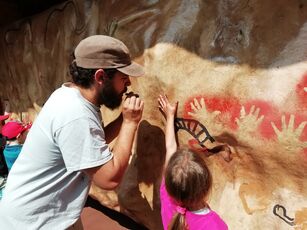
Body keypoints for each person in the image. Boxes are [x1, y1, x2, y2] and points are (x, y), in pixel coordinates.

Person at [0, 35, 145, 229]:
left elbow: (90, 143)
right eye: (123, 77)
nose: (128, 83)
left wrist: (121, 120)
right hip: (35, 222)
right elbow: (109, 179)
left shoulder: (71, 95)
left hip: (49, 214)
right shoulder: (75, 114)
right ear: (100, 77)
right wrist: (129, 123)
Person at [158, 94, 228, 230]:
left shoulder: (166, 194)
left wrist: (170, 116)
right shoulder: (215, 226)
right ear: (207, 187)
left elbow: (170, 149)